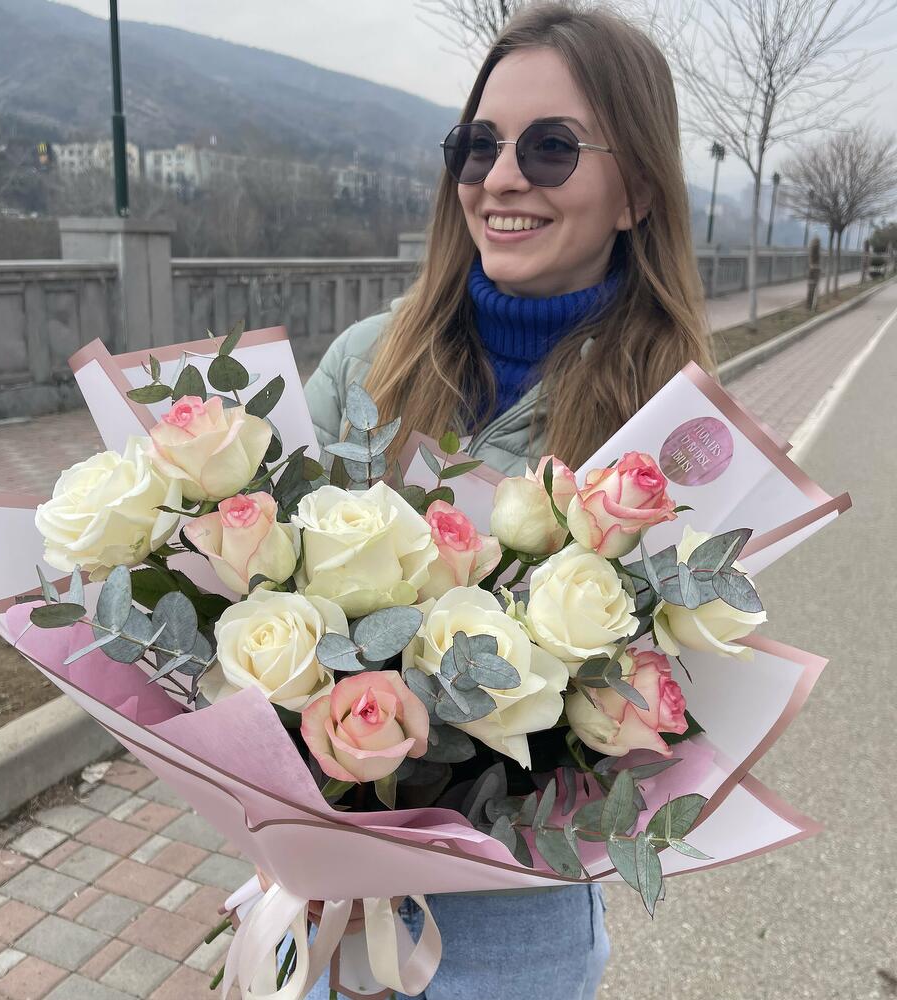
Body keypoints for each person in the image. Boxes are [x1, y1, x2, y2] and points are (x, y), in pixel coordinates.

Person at [289, 3, 715, 997]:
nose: (501, 177)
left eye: (550, 147)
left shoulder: (667, 431)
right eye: (477, 146)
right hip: (327, 883)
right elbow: (263, 590)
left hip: (513, 916)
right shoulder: (366, 363)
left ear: (636, 190)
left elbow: (666, 701)